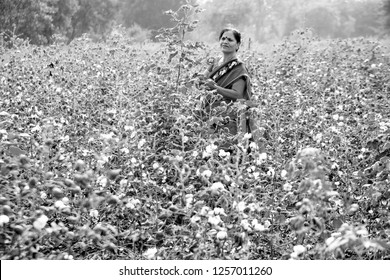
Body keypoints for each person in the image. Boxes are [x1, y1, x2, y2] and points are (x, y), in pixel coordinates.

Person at [201, 27, 252, 151]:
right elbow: (202, 82)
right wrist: (200, 79)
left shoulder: (238, 67)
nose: (225, 41)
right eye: (223, 38)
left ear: (238, 44)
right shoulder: (215, 63)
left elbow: (237, 94)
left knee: (225, 152)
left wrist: (215, 88)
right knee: (208, 153)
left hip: (227, 118)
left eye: (230, 40)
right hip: (209, 114)